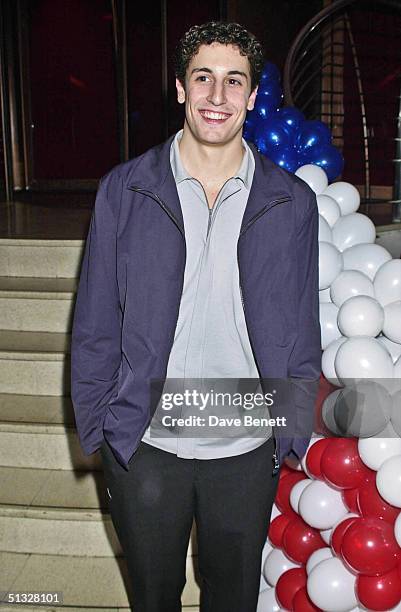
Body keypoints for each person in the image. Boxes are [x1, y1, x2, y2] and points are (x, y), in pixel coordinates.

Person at [71, 21, 321, 612]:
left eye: (234, 81)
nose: (217, 95)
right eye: (202, 78)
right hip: (147, 440)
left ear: (254, 96)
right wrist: (105, 427)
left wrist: (288, 425)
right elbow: (96, 322)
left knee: (232, 600)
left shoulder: (292, 202)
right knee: (154, 598)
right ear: (180, 89)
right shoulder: (125, 190)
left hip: (245, 442)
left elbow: (300, 325)